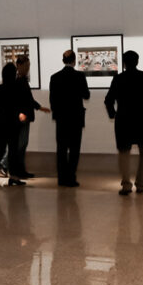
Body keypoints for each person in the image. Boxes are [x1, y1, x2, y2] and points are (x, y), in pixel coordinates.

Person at [104, 49, 143, 196]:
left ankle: (126, 184)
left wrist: (113, 114)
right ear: (137, 61)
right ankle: (140, 184)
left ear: (124, 63)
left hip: (124, 119)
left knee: (124, 152)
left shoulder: (118, 79)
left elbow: (108, 100)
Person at [0, 61, 35, 187]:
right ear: (14, 74)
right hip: (13, 123)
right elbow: (21, 104)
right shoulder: (17, 87)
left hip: (1, 122)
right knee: (13, 150)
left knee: (0, 149)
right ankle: (13, 177)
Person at [48, 50, 90, 187]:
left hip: (61, 118)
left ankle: (61, 178)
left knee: (61, 148)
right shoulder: (79, 76)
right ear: (74, 61)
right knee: (74, 149)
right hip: (76, 117)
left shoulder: (55, 77)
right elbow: (86, 95)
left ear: (63, 61)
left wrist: (58, 112)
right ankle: (71, 177)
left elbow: (52, 100)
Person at [2, 55, 47, 180]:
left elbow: (28, 99)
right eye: (26, 66)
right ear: (19, 66)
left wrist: (39, 107)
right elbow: (23, 100)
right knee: (20, 144)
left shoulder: (21, 80)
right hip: (20, 117)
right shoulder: (18, 81)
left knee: (22, 144)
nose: (27, 68)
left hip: (24, 117)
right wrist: (37, 108)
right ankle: (11, 167)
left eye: (29, 66)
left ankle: (18, 169)